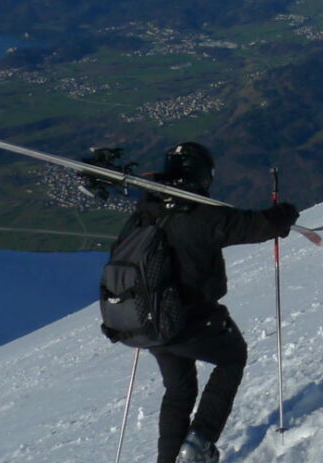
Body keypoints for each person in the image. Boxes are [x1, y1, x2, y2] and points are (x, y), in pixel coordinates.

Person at [121, 141, 300, 463]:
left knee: (178, 390)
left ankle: (169, 458)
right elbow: (257, 226)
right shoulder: (202, 214)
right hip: (191, 317)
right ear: (203, 174)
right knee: (232, 358)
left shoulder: (146, 209)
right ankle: (199, 441)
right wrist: (285, 214)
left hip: (153, 318)